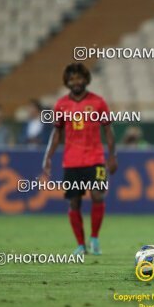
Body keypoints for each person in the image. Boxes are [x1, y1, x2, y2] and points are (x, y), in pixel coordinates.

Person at [42, 63, 118, 255]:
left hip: (95, 159)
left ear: (86, 79)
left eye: (79, 78)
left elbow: (108, 130)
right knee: (74, 202)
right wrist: (48, 157)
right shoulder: (61, 105)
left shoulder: (99, 102)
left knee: (98, 195)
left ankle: (94, 238)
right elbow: (56, 133)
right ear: (67, 82)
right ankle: (80, 245)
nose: (76, 82)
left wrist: (112, 156)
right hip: (72, 161)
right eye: (72, 79)